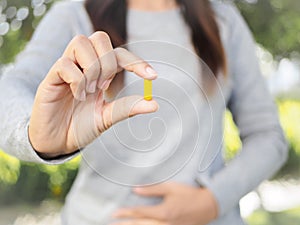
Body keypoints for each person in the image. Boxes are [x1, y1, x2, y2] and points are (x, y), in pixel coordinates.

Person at [0, 0, 288, 224]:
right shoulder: (75, 14)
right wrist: (36, 134)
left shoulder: (224, 22)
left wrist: (211, 201)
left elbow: (267, 136)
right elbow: (10, 89)